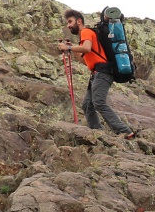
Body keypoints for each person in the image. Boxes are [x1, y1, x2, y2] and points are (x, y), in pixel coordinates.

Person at [57, 9, 135, 138]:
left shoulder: (86, 32)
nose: (68, 25)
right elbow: (86, 60)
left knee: (98, 102)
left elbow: (87, 48)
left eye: (70, 21)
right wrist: (73, 49)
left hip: (103, 71)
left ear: (79, 21)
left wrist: (69, 47)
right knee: (87, 105)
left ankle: (124, 130)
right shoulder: (84, 37)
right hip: (97, 72)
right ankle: (97, 132)